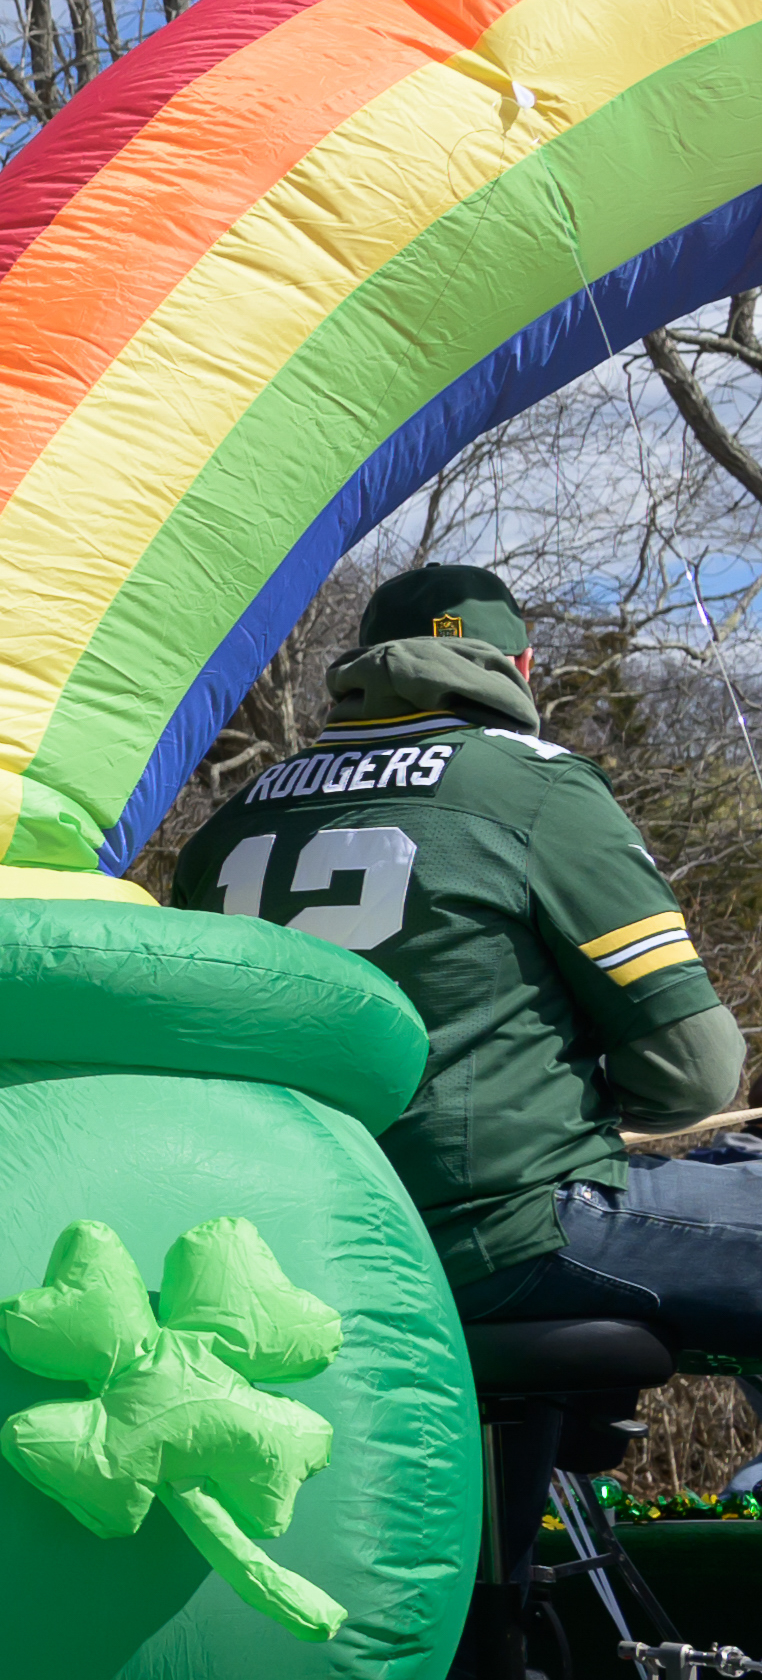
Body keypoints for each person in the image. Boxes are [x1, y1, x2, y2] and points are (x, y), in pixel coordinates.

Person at [172, 562, 754, 1338]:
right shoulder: (538, 790)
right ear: (521, 668)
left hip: (289, 1245)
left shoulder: (228, 823)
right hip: (497, 1240)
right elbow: (694, 1072)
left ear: (363, 668)